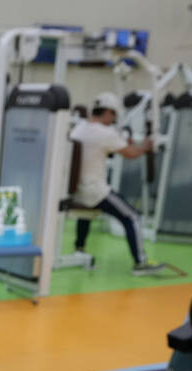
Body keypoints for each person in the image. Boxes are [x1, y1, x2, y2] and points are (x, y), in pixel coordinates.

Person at [70, 91, 165, 275]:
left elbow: (114, 146)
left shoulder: (79, 128)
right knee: (132, 218)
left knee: (85, 213)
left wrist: (123, 138)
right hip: (96, 191)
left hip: (77, 189)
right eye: (112, 116)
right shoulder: (105, 133)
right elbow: (130, 153)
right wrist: (146, 146)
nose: (112, 120)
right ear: (107, 112)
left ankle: (79, 249)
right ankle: (140, 262)